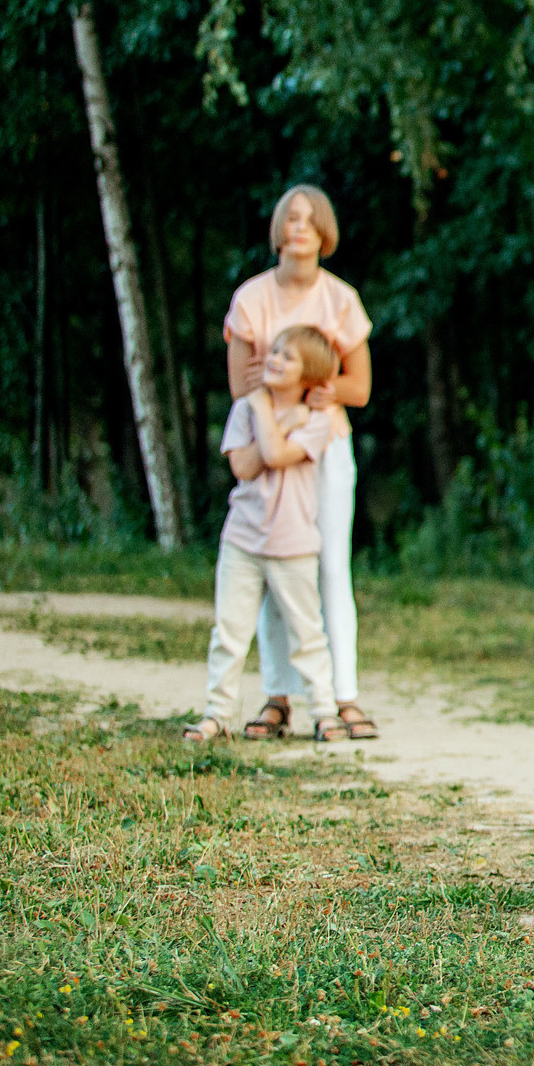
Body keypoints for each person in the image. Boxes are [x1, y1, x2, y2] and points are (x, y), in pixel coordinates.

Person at [224, 184, 377, 741]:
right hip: (269, 448)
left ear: (325, 234)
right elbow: (241, 383)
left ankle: (342, 696)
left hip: (324, 446)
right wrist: (275, 416)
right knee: (270, 565)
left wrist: (322, 389)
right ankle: (277, 697)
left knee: (330, 565)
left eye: (311, 221)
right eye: (291, 218)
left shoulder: (341, 299)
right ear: (278, 228)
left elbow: (358, 387)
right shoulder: (251, 299)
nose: (299, 228)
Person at [184, 326, 347, 744]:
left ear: (308, 375)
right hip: (243, 537)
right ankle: (217, 714)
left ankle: (325, 712)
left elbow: (276, 454)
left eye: (287, 357)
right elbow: (244, 466)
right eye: (274, 351)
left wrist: (275, 415)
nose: (273, 360)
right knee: (230, 630)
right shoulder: (246, 408)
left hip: (293, 543)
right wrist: (266, 411)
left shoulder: (318, 421)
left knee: (307, 633)